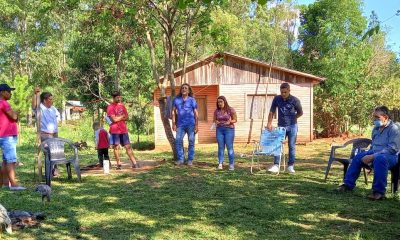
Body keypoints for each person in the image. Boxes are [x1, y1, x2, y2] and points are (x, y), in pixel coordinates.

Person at [336, 106, 400, 200]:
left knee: (379, 159)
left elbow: (392, 149)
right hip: (375, 153)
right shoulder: (376, 129)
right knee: (358, 157)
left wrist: (373, 156)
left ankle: (379, 192)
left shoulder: (394, 129)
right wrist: (369, 154)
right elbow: (374, 145)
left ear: (385, 117)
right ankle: (347, 185)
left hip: (391, 156)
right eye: (374, 117)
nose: (374, 120)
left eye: (377, 117)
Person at [266, 82, 303, 173]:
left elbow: (300, 112)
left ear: (289, 91)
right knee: (277, 144)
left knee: (291, 146)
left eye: (285, 92)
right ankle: (276, 165)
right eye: (282, 92)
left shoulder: (295, 100)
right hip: (281, 126)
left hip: (292, 126)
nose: (283, 94)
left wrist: (293, 119)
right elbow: (272, 111)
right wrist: (269, 123)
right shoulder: (277, 99)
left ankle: (290, 166)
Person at [0, 83, 26, 190]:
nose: (11, 94)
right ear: (2, 92)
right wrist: (17, 113)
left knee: (5, 160)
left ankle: (6, 183)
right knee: (11, 160)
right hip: (7, 135)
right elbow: (14, 116)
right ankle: (14, 185)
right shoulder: (4, 103)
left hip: (3, 134)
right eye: (9, 91)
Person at [107, 91, 139, 169]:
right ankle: (118, 165)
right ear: (113, 98)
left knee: (128, 146)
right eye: (117, 97)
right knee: (116, 147)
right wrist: (121, 117)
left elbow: (127, 117)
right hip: (114, 129)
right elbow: (113, 119)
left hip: (123, 130)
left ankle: (135, 163)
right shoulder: (110, 107)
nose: (119, 98)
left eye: (119, 97)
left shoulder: (122, 106)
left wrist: (119, 117)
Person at [33, 91, 61, 176]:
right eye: (50, 99)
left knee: (57, 152)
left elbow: (56, 118)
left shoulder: (53, 108)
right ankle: (49, 171)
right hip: (45, 135)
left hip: (54, 134)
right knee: (49, 152)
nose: (52, 101)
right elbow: (34, 106)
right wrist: (35, 94)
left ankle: (54, 170)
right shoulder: (40, 108)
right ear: (45, 100)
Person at [172, 83, 199, 166]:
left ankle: (190, 160)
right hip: (180, 125)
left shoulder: (192, 100)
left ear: (188, 90)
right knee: (178, 141)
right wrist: (173, 123)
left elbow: (196, 112)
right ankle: (181, 160)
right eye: (182, 88)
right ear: (181, 90)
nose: (184, 89)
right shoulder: (177, 100)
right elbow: (173, 112)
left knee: (191, 141)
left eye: (186, 88)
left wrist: (197, 125)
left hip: (191, 124)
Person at [213, 96, 237, 170]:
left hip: (229, 129)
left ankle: (231, 164)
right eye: (218, 102)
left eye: (221, 102)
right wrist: (216, 121)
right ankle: (220, 163)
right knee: (220, 147)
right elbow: (214, 120)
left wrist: (230, 122)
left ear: (225, 102)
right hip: (219, 130)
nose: (219, 103)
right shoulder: (216, 111)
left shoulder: (230, 110)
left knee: (229, 147)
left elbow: (235, 119)